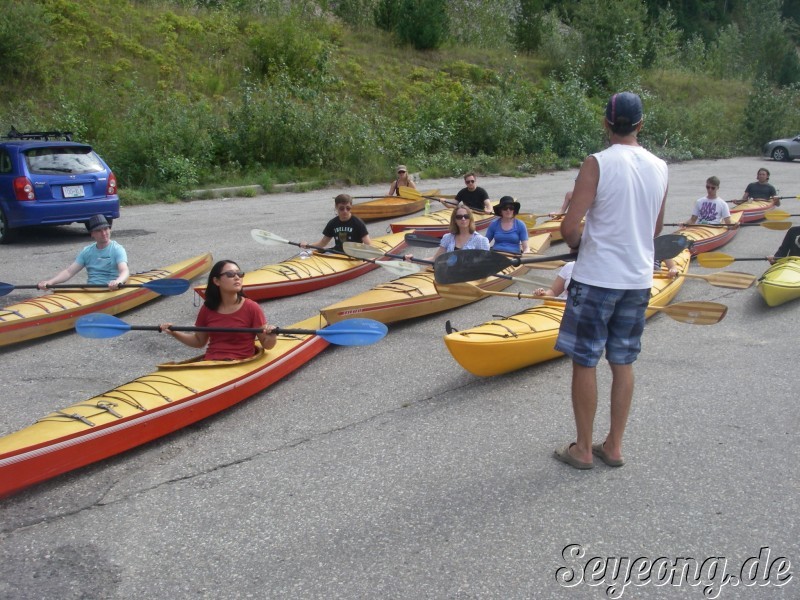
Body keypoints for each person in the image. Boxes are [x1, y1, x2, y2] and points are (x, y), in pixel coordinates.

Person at [553, 91, 668, 470]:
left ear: (606, 123)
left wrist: (578, 245)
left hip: (597, 278)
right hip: (637, 280)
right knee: (623, 361)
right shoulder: (660, 166)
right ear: (640, 124)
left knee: (585, 361)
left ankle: (583, 449)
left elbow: (569, 226)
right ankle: (613, 446)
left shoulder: (596, 163)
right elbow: (655, 229)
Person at [160, 260, 276, 360]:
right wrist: (174, 332)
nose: (237, 277)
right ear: (216, 281)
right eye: (230, 274)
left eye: (239, 274)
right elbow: (198, 341)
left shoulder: (252, 307)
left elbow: (267, 344)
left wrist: (271, 336)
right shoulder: (207, 308)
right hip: (212, 361)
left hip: (241, 362)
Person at [37, 214, 129, 290]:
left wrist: (118, 281)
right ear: (92, 234)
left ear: (109, 229)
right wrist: (50, 282)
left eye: (105, 229)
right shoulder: (87, 251)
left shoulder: (117, 249)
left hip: (111, 290)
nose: (104, 233)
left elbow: (124, 270)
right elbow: (69, 272)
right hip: (91, 291)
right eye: (99, 230)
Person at [405, 203, 490, 262]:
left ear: (470, 219)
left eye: (466, 216)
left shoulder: (481, 240)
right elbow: (435, 259)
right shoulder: (448, 238)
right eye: (459, 217)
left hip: (470, 278)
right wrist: (413, 260)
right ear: (455, 220)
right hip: (450, 276)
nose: (463, 219)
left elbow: (485, 264)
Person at [301, 193, 371, 252]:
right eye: (341, 208)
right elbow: (323, 243)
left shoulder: (358, 223)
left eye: (348, 208)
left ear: (351, 207)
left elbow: (368, 244)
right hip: (338, 252)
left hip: (354, 254)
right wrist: (308, 246)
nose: (345, 211)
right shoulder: (333, 223)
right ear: (336, 207)